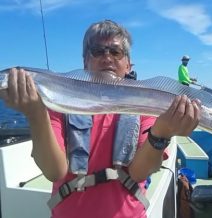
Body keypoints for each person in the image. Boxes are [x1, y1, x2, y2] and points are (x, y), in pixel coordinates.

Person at [0, 20, 201, 218]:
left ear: (128, 64)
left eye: (116, 52)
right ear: (85, 62)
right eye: (98, 51)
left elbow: (140, 172)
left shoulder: (145, 107)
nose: (107, 58)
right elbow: (54, 171)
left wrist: (162, 133)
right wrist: (36, 114)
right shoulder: (60, 105)